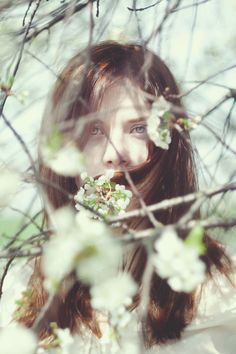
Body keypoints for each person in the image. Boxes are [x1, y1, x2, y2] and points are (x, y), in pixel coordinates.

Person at [3, 41, 236, 353]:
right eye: (95, 131)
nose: (116, 155)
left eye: (138, 128)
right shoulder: (25, 289)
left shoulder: (222, 289)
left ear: (170, 138)